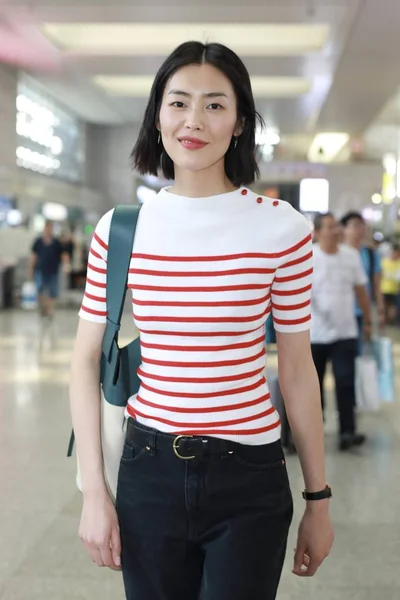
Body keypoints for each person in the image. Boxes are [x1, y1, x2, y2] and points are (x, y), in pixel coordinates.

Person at [70, 41, 333, 600]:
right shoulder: (121, 229)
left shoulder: (281, 228)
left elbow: (297, 370)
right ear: (157, 115)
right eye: (178, 102)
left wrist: (319, 499)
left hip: (251, 473)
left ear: (240, 123)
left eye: (215, 105)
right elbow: (84, 359)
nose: (194, 121)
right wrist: (94, 491)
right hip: (149, 470)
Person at [311, 212, 372, 451]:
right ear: (317, 232)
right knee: (313, 386)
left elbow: (360, 291)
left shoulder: (351, 255)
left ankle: (348, 431)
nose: (336, 230)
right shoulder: (308, 256)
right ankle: (312, 431)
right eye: (330, 227)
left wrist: (367, 321)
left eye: (336, 226)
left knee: (346, 382)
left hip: (345, 331)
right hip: (313, 334)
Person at [340, 211, 385, 347]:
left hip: (362, 312)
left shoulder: (371, 254)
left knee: (360, 352)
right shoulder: (338, 253)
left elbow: (376, 285)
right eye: (354, 225)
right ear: (344, 229)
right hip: (341, 311)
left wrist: (380, 310)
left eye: (361, 226)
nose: (359, 230)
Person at [29, 220, 70, 324]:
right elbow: (34, 256)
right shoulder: (38, 241)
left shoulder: (56, 243)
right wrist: (31, 269)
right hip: (40, 270)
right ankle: (44, 308)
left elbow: (63, 255)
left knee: (53, 292)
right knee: (39, 290)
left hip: (53, 271)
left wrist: (66, 266)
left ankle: (50, 311)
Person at [380, 244, 400, 324]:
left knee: (393, 307)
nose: (396, 255)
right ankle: (385, 320)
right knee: (385, 306)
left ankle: (390, 320)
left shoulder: (399, 263)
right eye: (395, 253)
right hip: (384, 288)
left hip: (395, 289)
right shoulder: (384, 262)